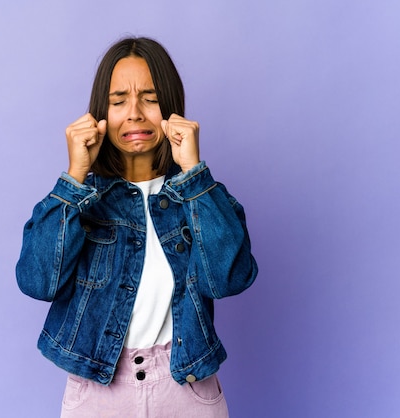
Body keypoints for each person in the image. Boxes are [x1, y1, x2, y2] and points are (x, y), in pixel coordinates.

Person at [16, 36, 258, 417]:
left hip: (187, 389)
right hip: (99, 392)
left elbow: (229, 280)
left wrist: (194, 174)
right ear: (100, 113)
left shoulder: (201, 197)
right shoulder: (81, 198)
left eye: (150, 98)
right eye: (117, 101)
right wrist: (75, 176)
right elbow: (37, 282)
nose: (134, 113)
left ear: (172, 109)